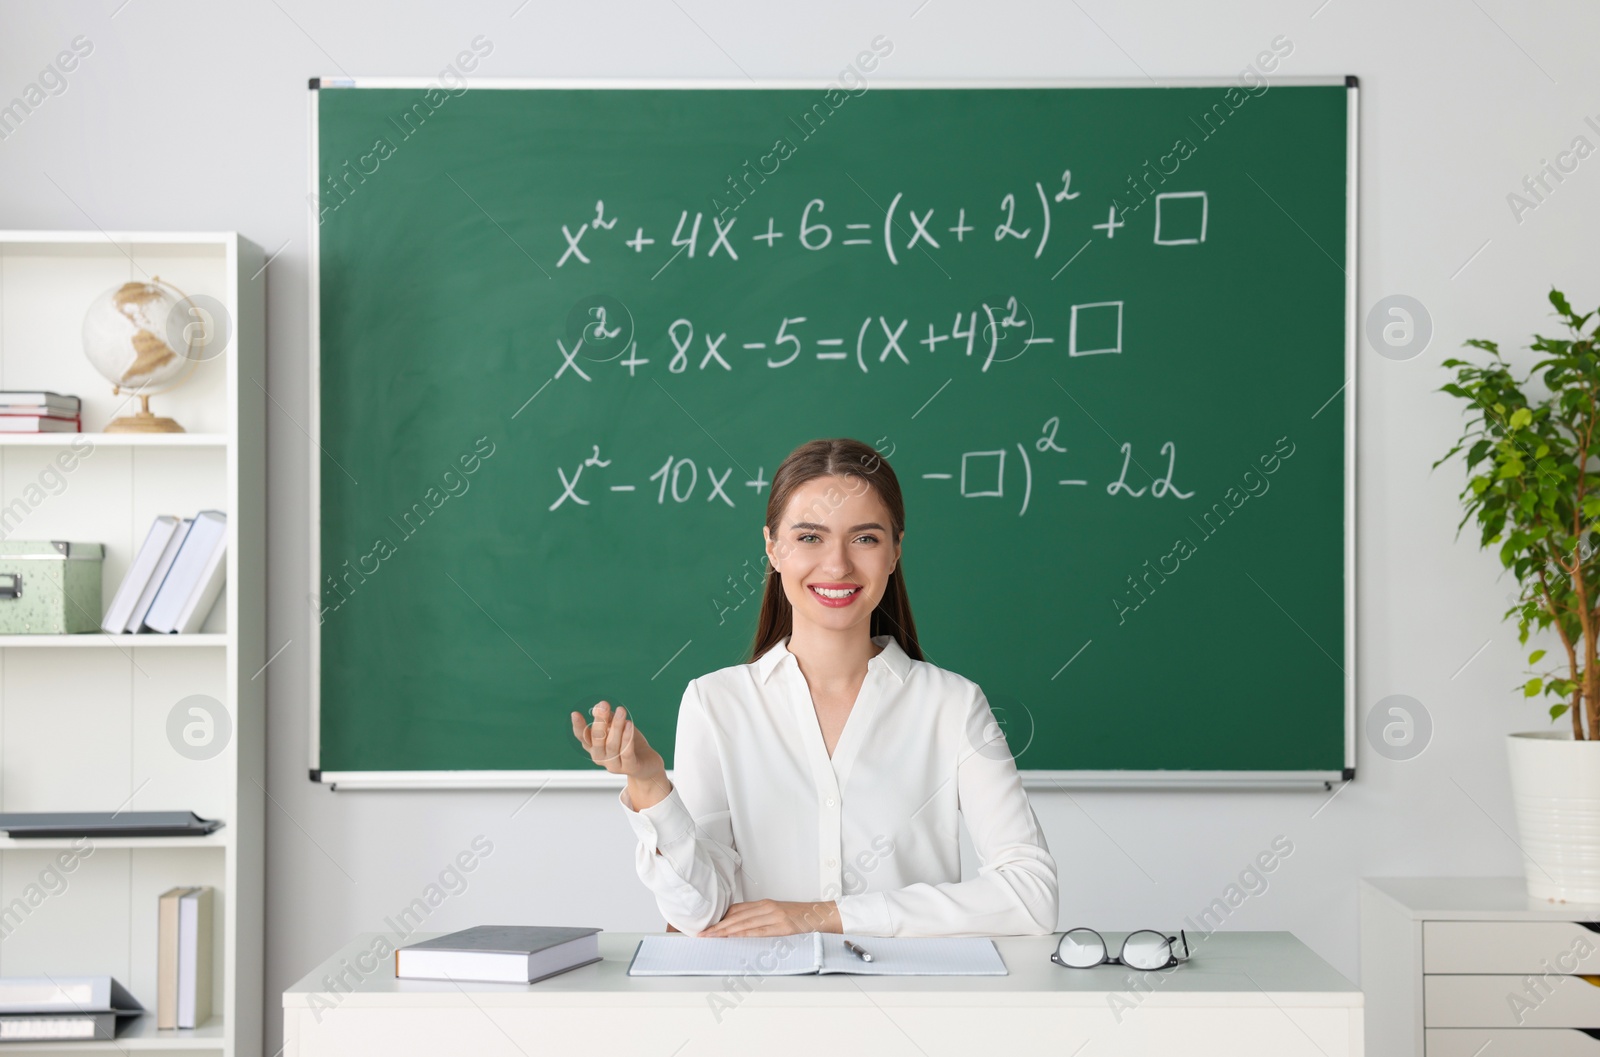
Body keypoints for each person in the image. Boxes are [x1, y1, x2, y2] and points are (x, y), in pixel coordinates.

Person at [570, 437, 1058, 938]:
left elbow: (1032, 896)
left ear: (894, 552)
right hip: (763, 1004)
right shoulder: (716, 703)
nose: (838, 565)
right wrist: (651, 788)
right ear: (773, 548)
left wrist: (824, 916)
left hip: (914, 1004)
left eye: (865, 539)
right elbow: (699, 913)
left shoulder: (952, 705)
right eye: (809, 537)